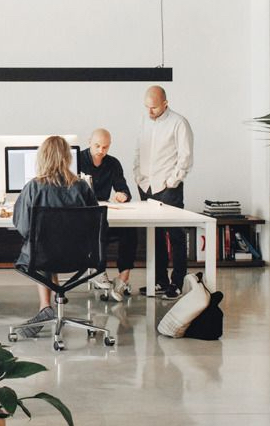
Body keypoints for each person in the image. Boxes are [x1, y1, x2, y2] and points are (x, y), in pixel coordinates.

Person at [13, 135, 98, 335]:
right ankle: (47, 307)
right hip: (79, 257)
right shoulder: (82, 187)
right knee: (50, 247)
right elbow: (97, 225)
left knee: (41, 247)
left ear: (42, 158)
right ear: (68, 158)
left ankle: (45, 307)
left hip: (43, 256)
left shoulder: (34, 187)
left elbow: (23, 226)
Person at [133, 85, 194, 296]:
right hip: (146, 185)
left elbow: (185, 156)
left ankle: (177, 282)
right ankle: (159, 280)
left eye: (154, 108)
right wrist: (137, 175)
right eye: (147, 107)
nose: (150, 112)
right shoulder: (144, 121)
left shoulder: (179, 123)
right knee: (154, 236)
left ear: (165, 103)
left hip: (168, 187)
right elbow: (139, 150)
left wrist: (173, 181)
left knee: (175, 234)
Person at [78, 128, 137, 302]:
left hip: (103, 211)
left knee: (130, 230)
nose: (101, 151)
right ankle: (99, 271)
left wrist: (122, 195)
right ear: (89, 141)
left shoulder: (113, 163)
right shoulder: (77, 160)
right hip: (82, 215)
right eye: (97, 146)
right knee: (99, 228)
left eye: (105, 147)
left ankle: (123, 279)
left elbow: (124, 189)